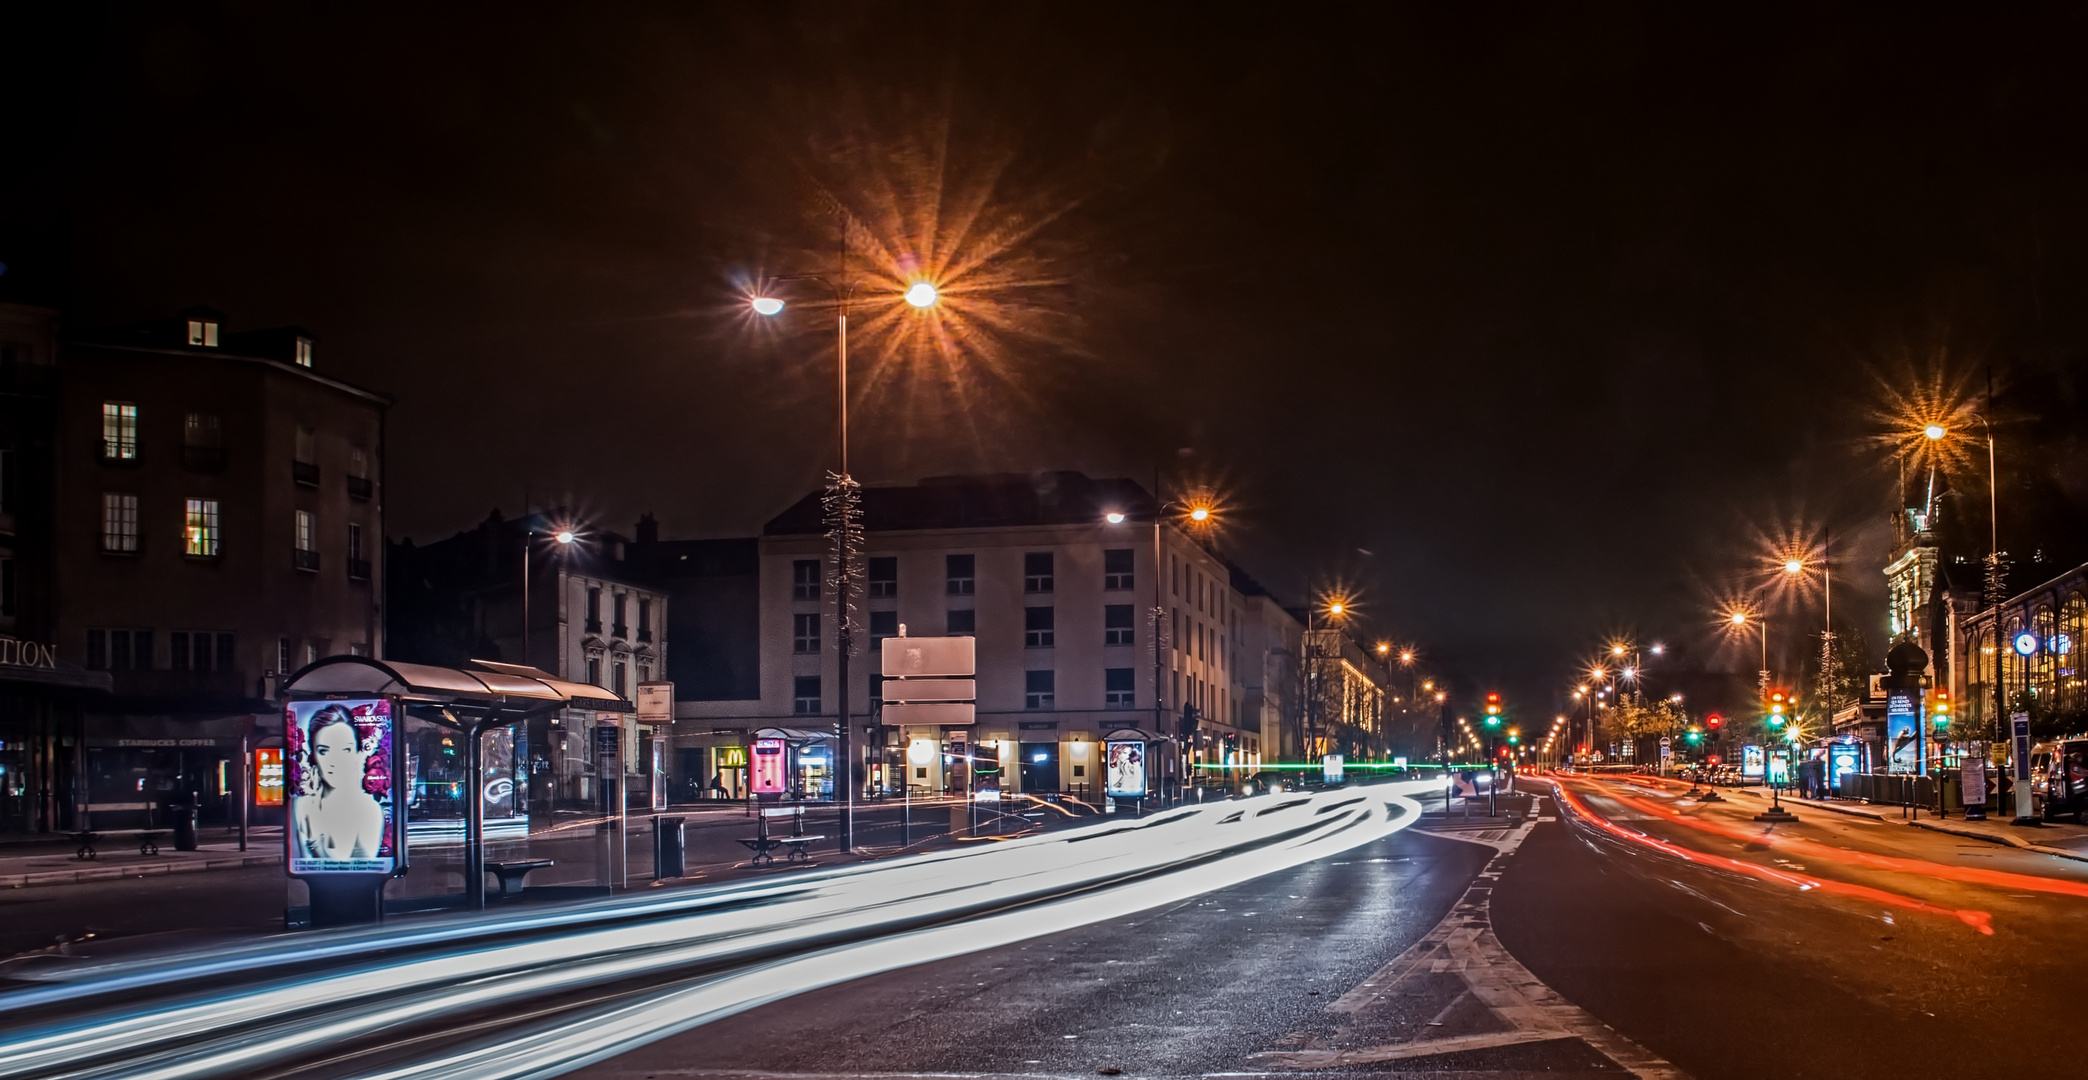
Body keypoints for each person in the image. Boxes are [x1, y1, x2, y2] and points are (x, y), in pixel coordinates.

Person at [293, 705, 387, 864]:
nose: (334, 762)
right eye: (324, 751)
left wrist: (315, 839)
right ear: (313, 755)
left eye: (345, 750)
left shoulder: (369, 811)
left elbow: (364, 871)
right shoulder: (300, 806)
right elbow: (303, 865)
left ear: (357, 753)